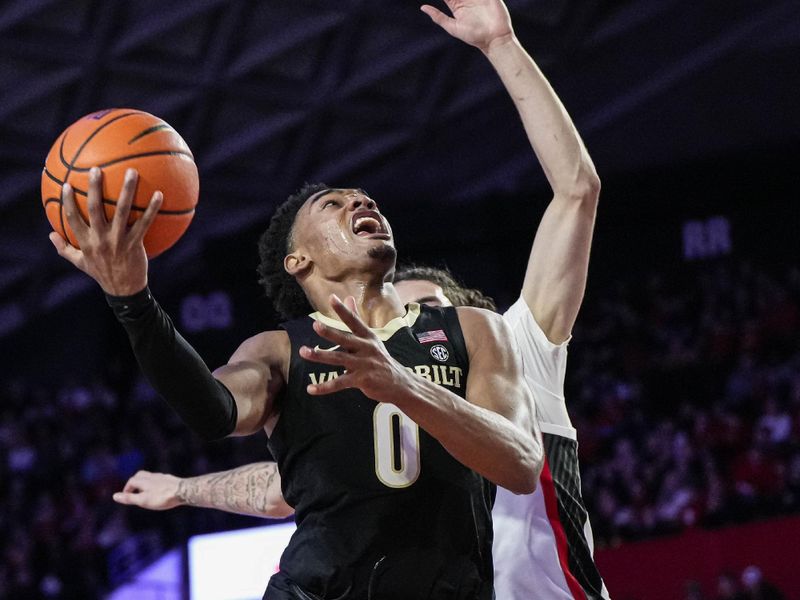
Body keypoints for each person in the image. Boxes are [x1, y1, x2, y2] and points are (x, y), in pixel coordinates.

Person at [114, 0, 611, 595]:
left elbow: (577, 190)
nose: (408, 315)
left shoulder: (503, 341)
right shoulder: (309, 353)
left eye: (426, 307)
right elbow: (285, 483)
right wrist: (185, 488)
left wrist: (501, 43)